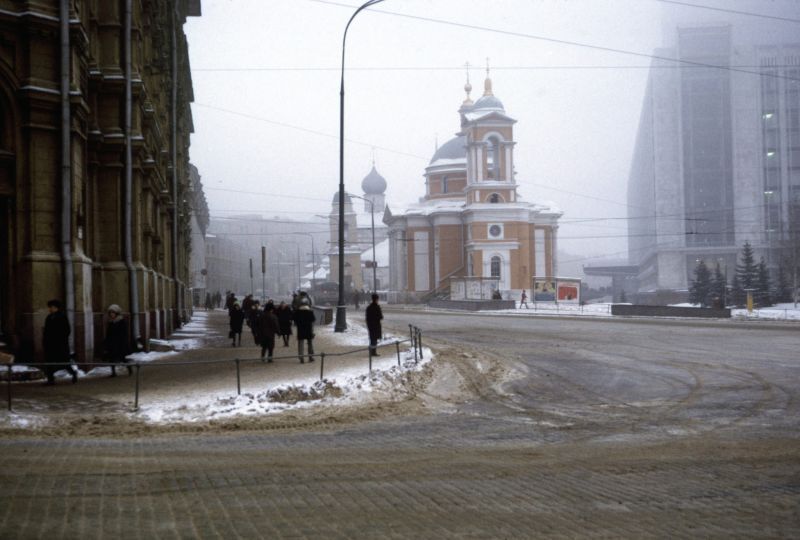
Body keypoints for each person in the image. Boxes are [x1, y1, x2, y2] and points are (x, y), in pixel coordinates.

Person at [42, 299, 78, 385]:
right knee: (49, 361)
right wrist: (45, 341)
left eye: (51, 307)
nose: (50, 309)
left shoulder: (62, 317)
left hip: (60, 344)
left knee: (64, 362)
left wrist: (59, 338)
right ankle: (50, 379)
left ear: (56, 308)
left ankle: (73, 373)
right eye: (50, 307)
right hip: (50, 344)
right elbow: (46, 331)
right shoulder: (49, 317)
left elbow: (67, 330)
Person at [103, 304, 133, 377]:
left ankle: (129, 368)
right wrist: (107, 342)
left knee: (122, 357)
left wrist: (123, 342)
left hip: (120, 343)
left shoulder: (121, 321)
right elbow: (108, 333)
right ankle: (113, 372)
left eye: (113, 313)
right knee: (111, 358)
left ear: (116, 313)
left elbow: (124, 333)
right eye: (110, 313)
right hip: (112, 343)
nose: (111, 314)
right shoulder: (111, 322)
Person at [293, 298, 316, 363]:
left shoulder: (297, 312)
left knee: (300, 343)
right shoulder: (310, 312)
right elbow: (313, 320)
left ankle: (301, 357)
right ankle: (310, 357)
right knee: (310, 343)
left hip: (300, 330)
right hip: (309, 329)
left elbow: (294, 319)